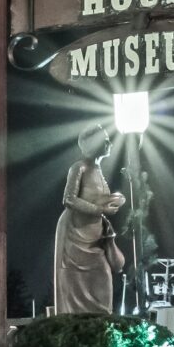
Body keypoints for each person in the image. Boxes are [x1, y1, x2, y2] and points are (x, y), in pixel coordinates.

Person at [54, 123, 125, 315]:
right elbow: (68, 199)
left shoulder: (98, 170)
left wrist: (116, 201)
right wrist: (99, 208)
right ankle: (77, 332)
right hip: (75, 234)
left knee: (104, 277)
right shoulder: (79, 168)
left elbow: (98, 199)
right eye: (105, 139)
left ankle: (100, 332)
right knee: (74, 290)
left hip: (95, 237)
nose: (109, 142)